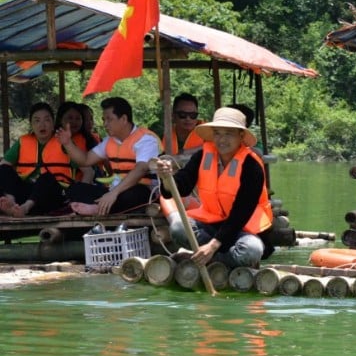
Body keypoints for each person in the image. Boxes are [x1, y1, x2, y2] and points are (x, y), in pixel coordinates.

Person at [154, 107, 273, 268]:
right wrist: (166, 177)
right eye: (217, 133)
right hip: (211, 225)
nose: (221, 140)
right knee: (178, 228)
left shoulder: (252, 166)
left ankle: (207, 257)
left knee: (251, 251)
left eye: (228, 134)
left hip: (242, 229)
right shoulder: (202, 155)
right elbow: (180, 188)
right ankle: (216, 258)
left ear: (241, 136)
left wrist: (213, 246)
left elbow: (241, 212)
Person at [59, 96, 162, 215]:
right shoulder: (109, 141)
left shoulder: (145, 139)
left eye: (109, 119)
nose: (105, 124)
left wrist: (113, 193)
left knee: (134, 194)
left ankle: (97, 209)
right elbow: (85, 160)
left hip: (143, 190)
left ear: (123, 119)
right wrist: (67, 143)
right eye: (104, 120)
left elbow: (141, 169)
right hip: (114, 191)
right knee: (76, 189)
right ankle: (99, 207)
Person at [0, 102, 74, 217]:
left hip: (51, 196)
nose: (42, 125)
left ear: (53, 123)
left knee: (47, 178)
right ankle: (11, 203)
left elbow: (87, 169)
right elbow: (5, 166)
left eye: (47, 120)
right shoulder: (23, 141)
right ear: (31, 125)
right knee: (3, 169)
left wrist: (78, 197)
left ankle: (24, 208)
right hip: (24, 193)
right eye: (37, 121)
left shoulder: (63, 141)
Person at [55, 101, 98, 183]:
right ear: (60, 119)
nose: (74, 121)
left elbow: (90, 172)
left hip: (78, 186)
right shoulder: (52, 139)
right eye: (70, 118)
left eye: (78, 118)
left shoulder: (89, 140)